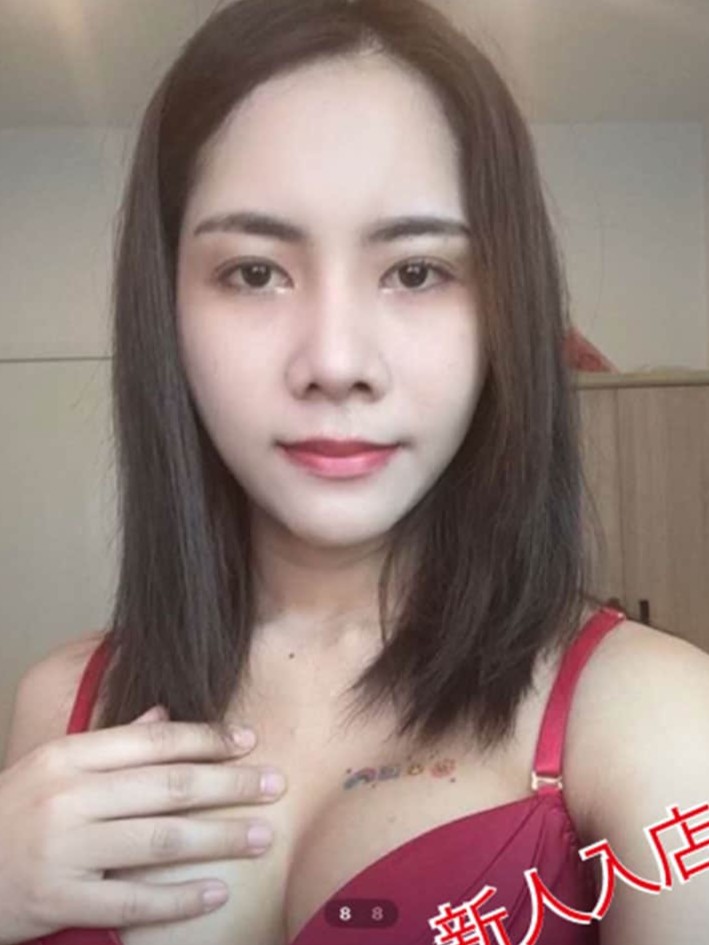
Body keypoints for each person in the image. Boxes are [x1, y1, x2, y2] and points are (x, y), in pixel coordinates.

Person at [2, 0, 708, 942]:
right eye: (254, 272)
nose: (335, 362)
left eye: (416, 271)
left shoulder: (658, 718)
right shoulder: (65, 702)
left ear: (503, 307)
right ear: (165, 306)